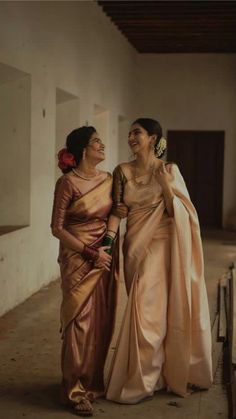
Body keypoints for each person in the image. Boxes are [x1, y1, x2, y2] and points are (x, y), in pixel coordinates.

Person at [104, 118, 213, 404]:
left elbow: (181, 211)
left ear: (153, 138)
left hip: (165, 248)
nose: (131, 137)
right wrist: (107, 243)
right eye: (129, 133)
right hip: (137, 247)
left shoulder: (169, 170)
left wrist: (165, 184)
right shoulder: (122, 171)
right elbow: (117, 210)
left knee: (162, 312)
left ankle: (156, 376)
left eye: (137, 133)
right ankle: (144, 377)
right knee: (144, 311)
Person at [51, 126, 126, 416]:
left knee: (101, 320)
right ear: (83, 149)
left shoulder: (109, 180)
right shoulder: (67, 183)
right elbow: (57, 228)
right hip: (78, 257)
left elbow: (116, 214)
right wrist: (90, 253)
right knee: (79, 323)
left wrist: (106, 247)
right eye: (97, 141)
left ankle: (93, 382)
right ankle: (74, 389)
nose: (102, 145)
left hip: (105, 255)